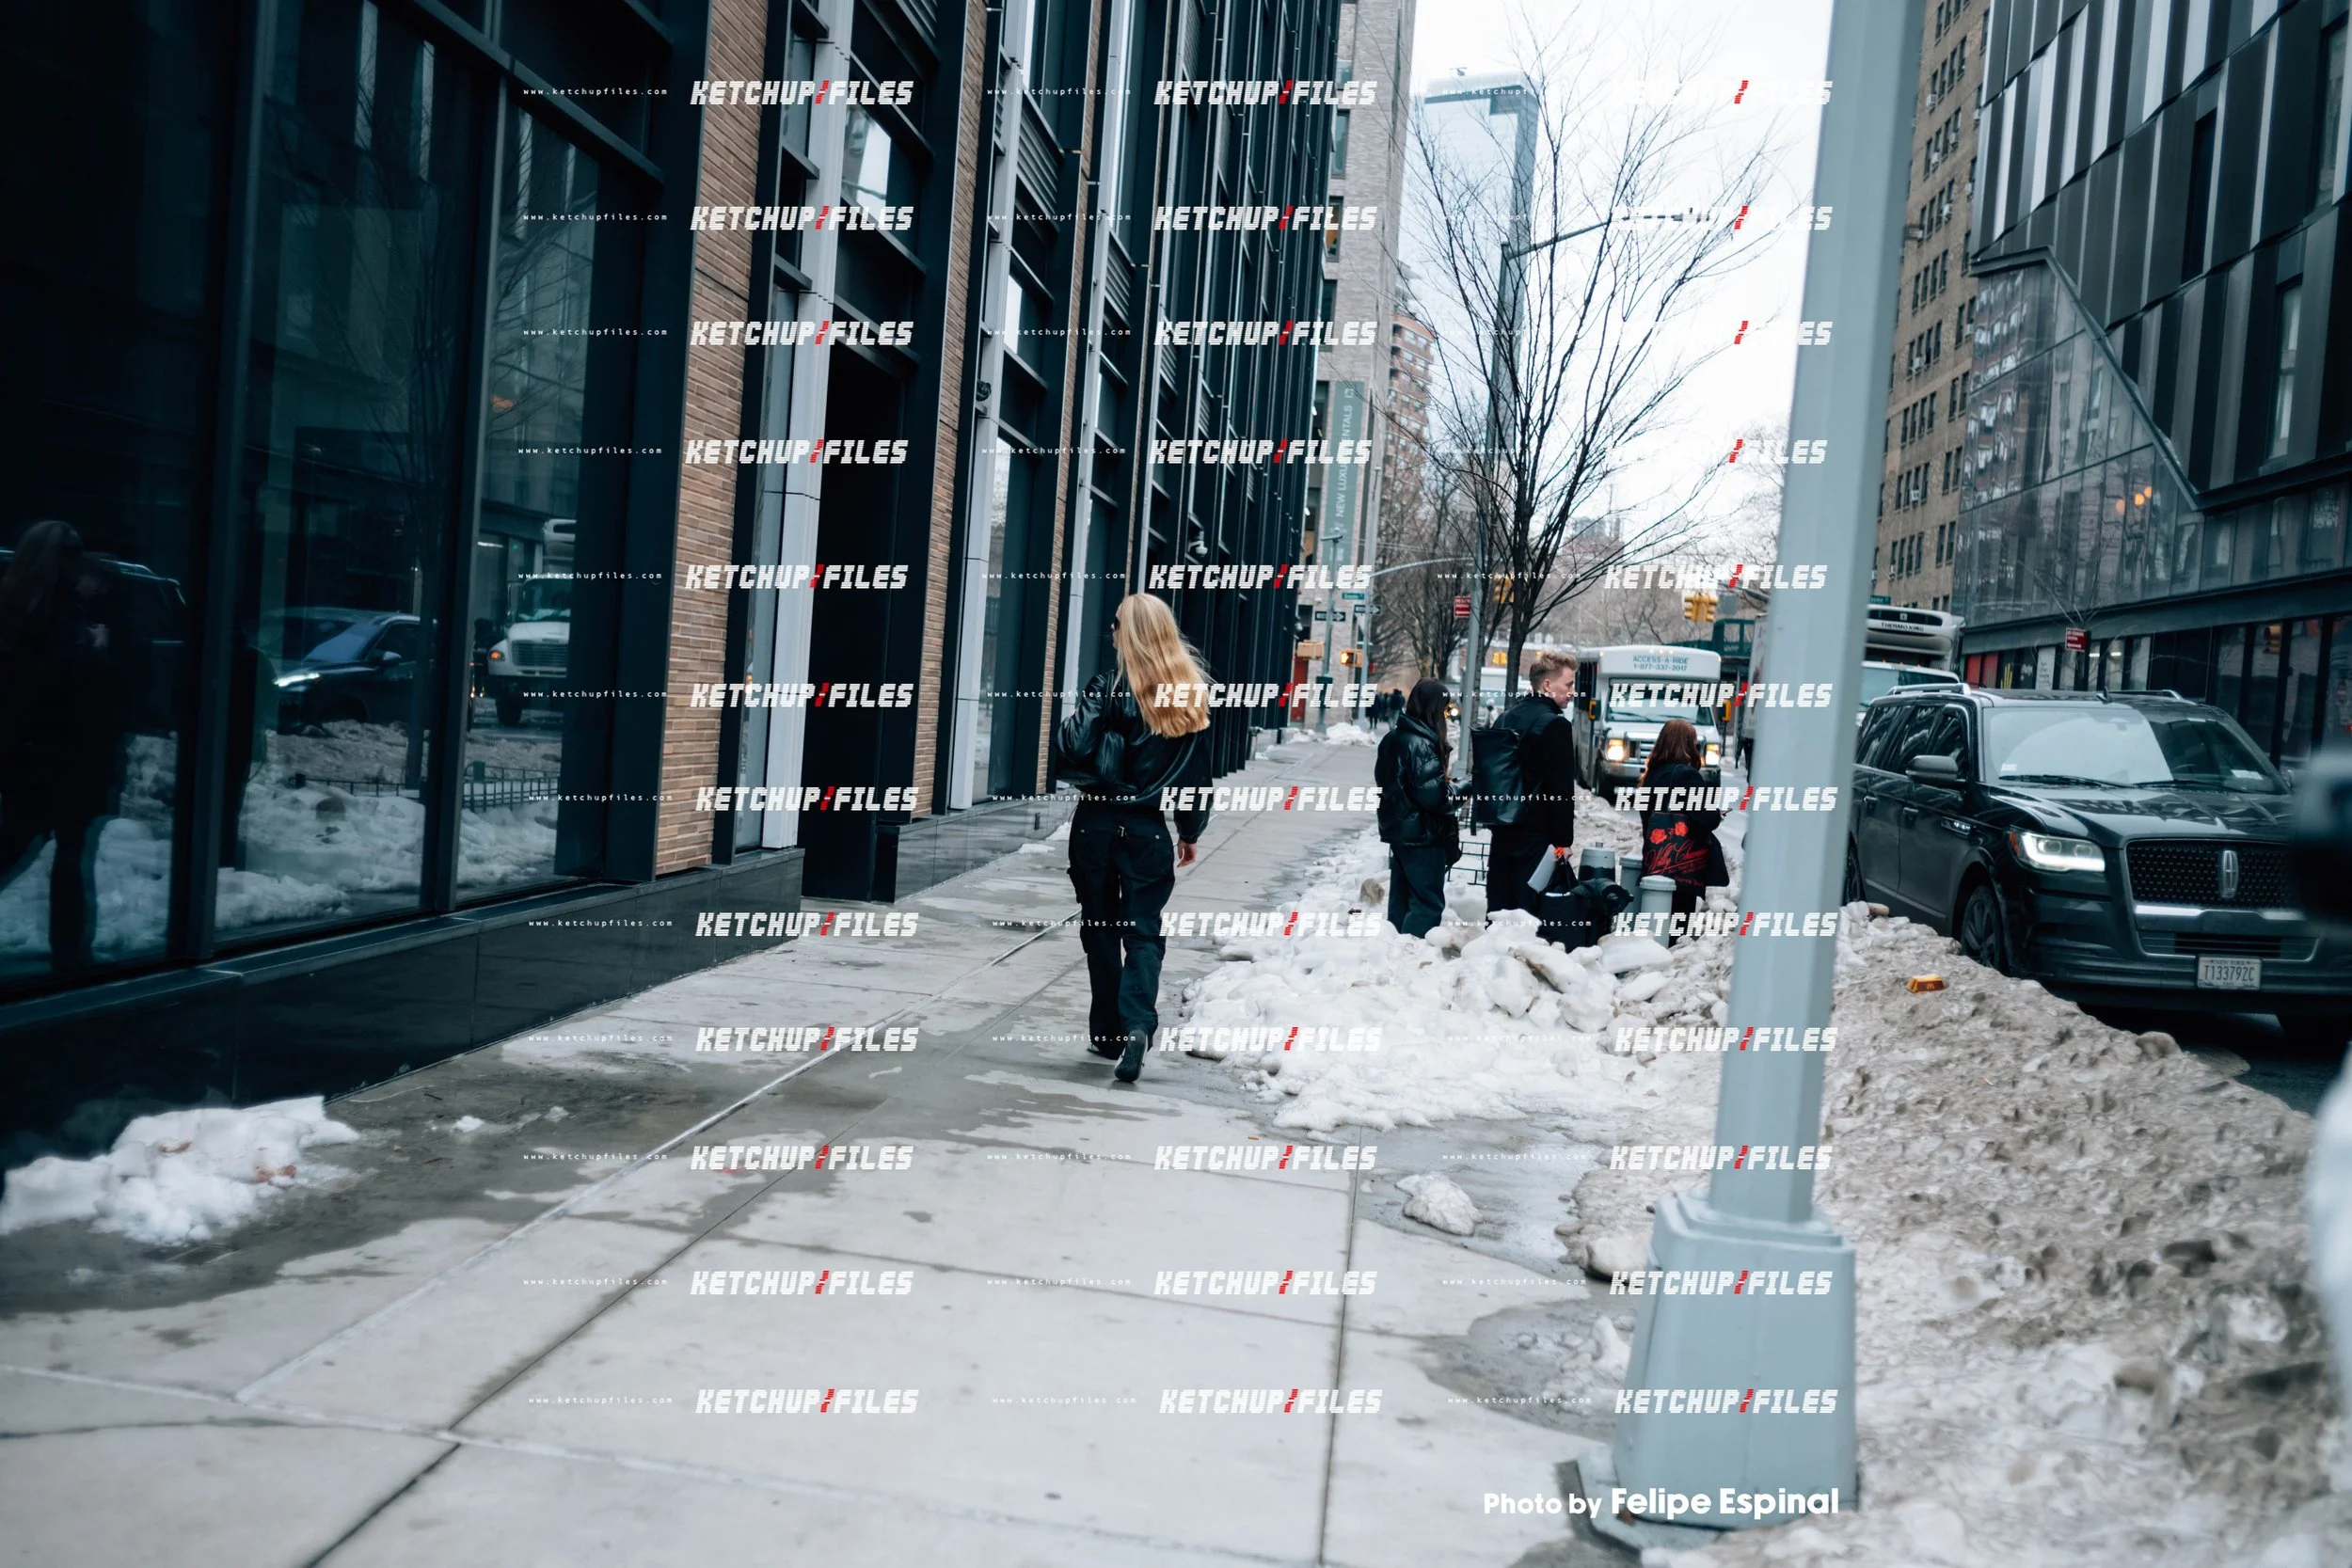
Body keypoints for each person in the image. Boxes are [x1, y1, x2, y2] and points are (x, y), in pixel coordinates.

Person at [1052, 594, 1213, 1083]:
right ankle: (1138, 1025)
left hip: (1097, 825)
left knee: (1099, 929)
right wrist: (1189, 831)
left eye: (1116, 622)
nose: (1112, 631)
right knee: (1143, 932)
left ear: (1132, 631)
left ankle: (1108, 1032)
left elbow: (1073, 746)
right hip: (1147, 829)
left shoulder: (1108, 685)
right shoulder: (1187, 694)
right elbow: (1195, 780)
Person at [0, 520, 128, 973]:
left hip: (55, 751)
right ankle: (70, 954)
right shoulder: (48, 616)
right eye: (70, 552)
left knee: (58, 851)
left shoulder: (34, 610)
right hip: (56, 751)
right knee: (49, 850)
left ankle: (70, 953)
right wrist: (93, 653)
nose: (77, 562)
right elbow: (52, 683)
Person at [1475, 650, 1581, 917]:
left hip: (1503, 827)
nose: (1572, 692)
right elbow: (1561, 790)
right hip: (1536, 835)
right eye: (1568, 684)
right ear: (1547, 685)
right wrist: (1563, 841)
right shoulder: (1556, 725)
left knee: (1500, 906)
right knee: (1529, 912)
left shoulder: (1506, 717)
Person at [1375, 678, 1460, 937]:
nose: (1445, 715)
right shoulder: (1422, 745)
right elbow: (1438, 799)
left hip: (1401, 832)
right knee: (1427, 904)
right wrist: (1465, 786)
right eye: (1444, 708)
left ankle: (1394, 955)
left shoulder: (1394, 738)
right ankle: (1409, 955)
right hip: (1423, 834)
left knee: (1400, 902)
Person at [1635, 717, 1727, 931]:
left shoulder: (1650, 775)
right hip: (1681, 864)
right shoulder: (1686, 776)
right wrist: (1717, 814)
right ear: (1687, 745)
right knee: (1677, 925)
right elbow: (1705, 818)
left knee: (1656, 922)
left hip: (1655, 859)